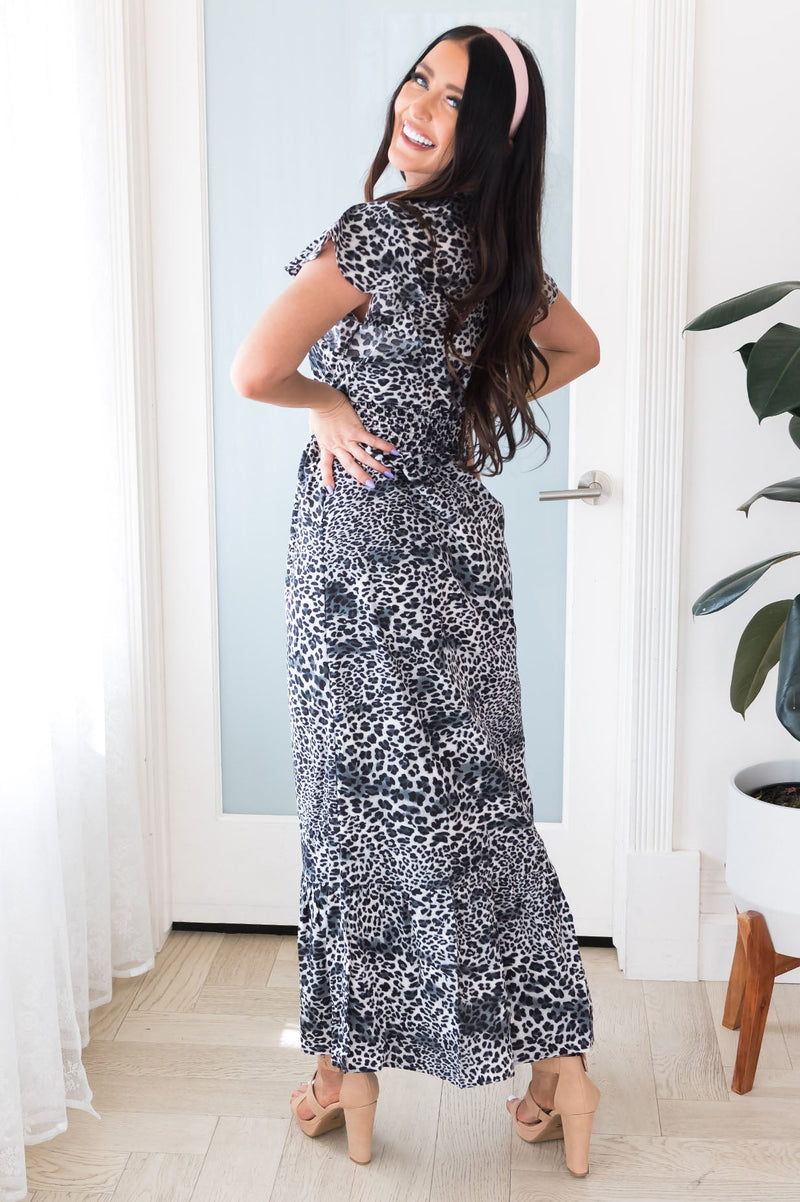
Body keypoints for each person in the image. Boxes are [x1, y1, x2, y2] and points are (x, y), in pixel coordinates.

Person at [230, 24, 602, 1174]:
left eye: (452, 98)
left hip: (354, 559)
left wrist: (325, 404)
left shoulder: (374, 233)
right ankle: (561, 1067)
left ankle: (345, 1075)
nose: (419, 106)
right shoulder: (495, 251)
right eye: (418, 80)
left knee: (350, 814)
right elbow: (576, 347)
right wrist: (474, 396)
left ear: (488, 135)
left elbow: (255, 371)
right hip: (455, 551)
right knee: (482, 811)